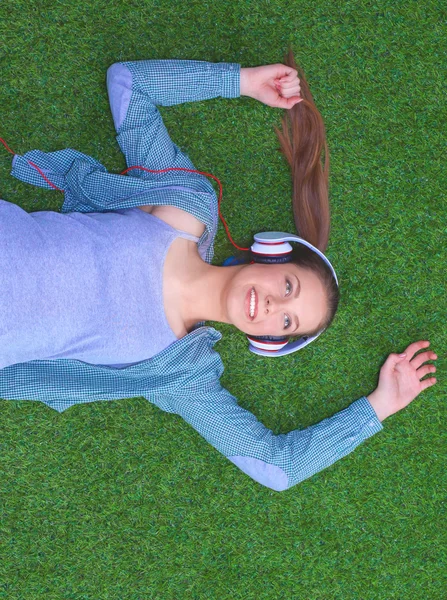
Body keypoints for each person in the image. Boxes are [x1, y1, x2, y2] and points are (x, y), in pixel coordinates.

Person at [0, 55, 436, 491]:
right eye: (288, 286)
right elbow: (130, 83)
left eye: (287, 321)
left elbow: (277, 468)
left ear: (270, 341)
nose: (272, 306)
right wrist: (242, 81)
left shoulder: (182, 373)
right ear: (270, 254)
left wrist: (378, 406)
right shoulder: (185, 207)